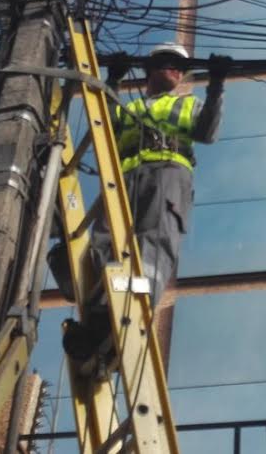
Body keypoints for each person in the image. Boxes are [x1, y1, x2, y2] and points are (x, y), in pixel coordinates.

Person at [54, 43, 230, 361]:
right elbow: (102, 128)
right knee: (104, 241)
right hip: (125, 177)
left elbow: (207, 133)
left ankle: (135, 307)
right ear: (150, 69)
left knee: (153, 238)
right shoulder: (129, 108)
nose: (176, 70)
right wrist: (113, 81)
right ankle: (99, 318)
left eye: (181, 66)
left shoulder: (187, 104)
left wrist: (217, 84)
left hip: (168, 172)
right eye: (169, 63)